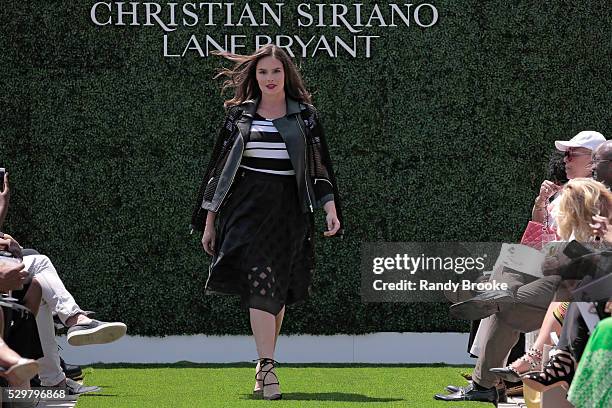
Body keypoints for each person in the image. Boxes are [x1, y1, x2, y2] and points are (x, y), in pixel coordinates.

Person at [191, 44, 342, 400]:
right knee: (261, 280)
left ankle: (263, 364)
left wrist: (330, 207)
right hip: (245, 208)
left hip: (289, 211)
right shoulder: (238, 115)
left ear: (286, 74)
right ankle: (269, 367)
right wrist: (210, 221)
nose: (270, 78)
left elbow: (321, 166)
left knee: (276, 287)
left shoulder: (305, 115)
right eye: (263, 72)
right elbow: (219, 170)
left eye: (276, 71)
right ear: (254, 76)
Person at [438, 132, 606, 403]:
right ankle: (485, 384)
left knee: (506, 294)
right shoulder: (561, 195)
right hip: (551, 266)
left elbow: (588, 250)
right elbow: (534, 241)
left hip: (574, 277)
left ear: (593, 160)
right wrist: (540, 206)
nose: (565, 159)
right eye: (566, 154)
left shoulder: (597, 195)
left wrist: (551, 255)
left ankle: (484, 294)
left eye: (572, 154)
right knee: (510, 276)